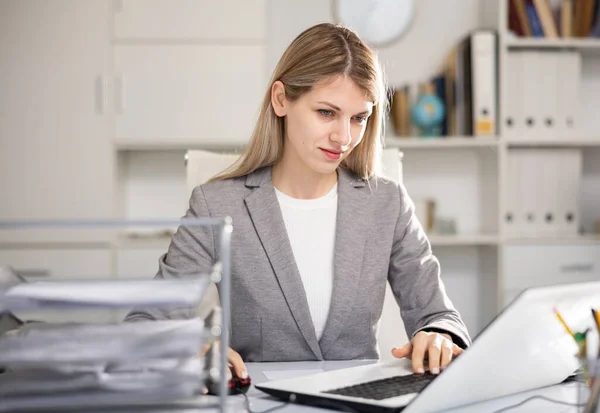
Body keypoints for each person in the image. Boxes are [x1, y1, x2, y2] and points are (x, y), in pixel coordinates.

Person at [126, 22, 471, 382]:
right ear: (281, 100)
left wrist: (439, 335)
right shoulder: (217, 204)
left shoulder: (387, 203)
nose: (344, 137)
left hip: (356, 403)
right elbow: (146, 323)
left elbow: (439, 315)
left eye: (359, 118)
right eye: (326, 112)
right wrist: (190, 347)